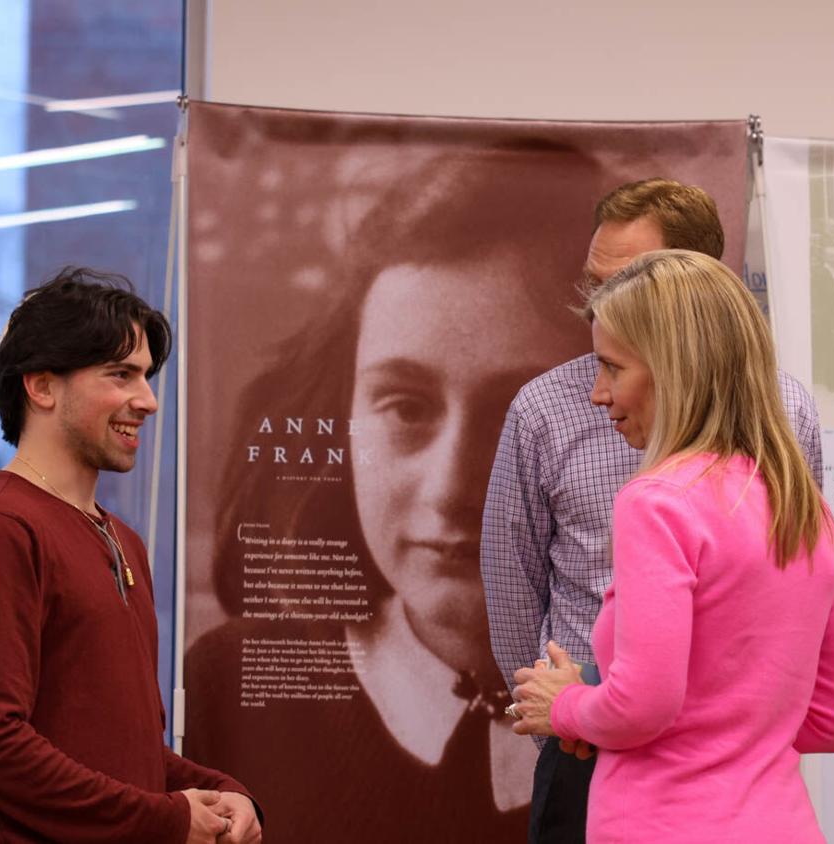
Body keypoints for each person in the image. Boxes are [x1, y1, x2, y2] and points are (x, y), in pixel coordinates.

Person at [183, 143, 606, 843]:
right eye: (407, 408)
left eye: (511, 415)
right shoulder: (229, 683)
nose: (450, 488)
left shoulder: (649, 696)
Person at [480, 177, 825, 844]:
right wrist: (566, 718)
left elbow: (799, 596)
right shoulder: (545, 411)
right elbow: (513, 588)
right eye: (593, 282)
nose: (597, 307)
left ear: (690, 291)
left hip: (715, 767)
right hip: (610, 757)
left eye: (624, 282)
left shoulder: (786, 418)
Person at [0, 269, 261, 843]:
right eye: (121, 375)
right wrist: (165, 819)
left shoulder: (123, 539)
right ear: (42, 386)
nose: (149, 401)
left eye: (147, 376)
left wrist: (223, 791)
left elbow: (120, 750)